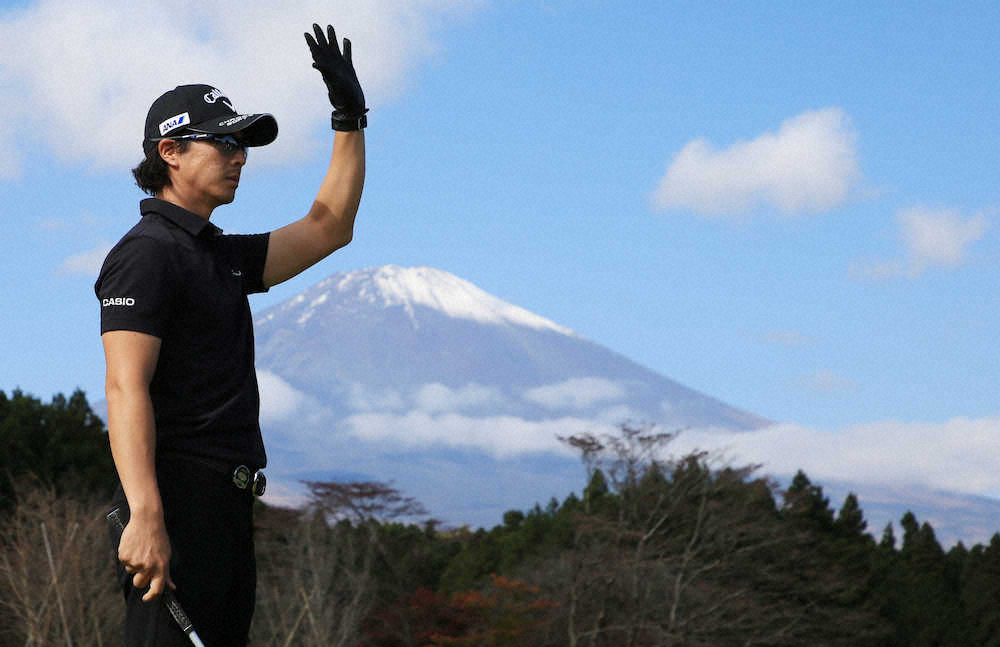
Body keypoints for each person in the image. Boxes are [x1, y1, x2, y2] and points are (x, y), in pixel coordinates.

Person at [94, 23, 366, 646]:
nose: (239, 157)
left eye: (243, 145)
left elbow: (329, 229)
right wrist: (145, 515)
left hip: (227, 503)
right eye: (224, 143)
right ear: (170, 151)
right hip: (173, 499)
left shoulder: (217, 254)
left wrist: (349, 118)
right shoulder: (148, 254)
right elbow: (124, 388)